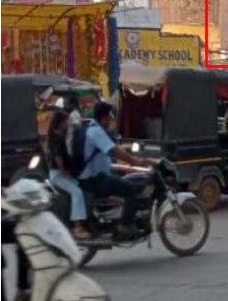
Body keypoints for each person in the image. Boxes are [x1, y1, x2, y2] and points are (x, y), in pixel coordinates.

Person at [77, 101, 154, 239]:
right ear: (103, 117)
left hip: (95, 177)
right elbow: (114, 151)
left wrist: (131, 155)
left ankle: (121, 218)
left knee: (122, 183)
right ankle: (124, 225)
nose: (111, 120)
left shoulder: (92, 129)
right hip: (94, 179)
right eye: (109, 117)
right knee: (130, 189)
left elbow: (116, 148)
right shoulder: (96, 131)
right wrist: (135, 161)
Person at [47, 110, 89, 240]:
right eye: (66, 121)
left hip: (58, 172)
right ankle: (77, 227)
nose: (68, 123)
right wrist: (65, 172)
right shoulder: (58, 138)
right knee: (76, 192)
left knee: (80, 186)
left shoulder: (56, 135)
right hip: (58, 174)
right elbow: (58, 157)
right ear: (61, 123)